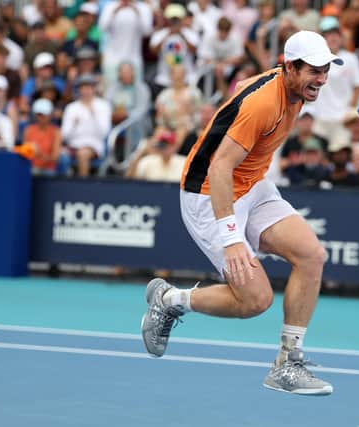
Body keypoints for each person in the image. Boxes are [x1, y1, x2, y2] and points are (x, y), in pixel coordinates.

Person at [141, 30, 343, 395]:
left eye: (325, 69)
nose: (322, 79)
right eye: (314, 70)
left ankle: (287, 363)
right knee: (255, 300)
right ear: (289, 66)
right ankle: (169, 300)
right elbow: (219, 168)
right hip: (208, 194)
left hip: (252, 185)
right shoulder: (263, 103)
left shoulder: (296, 92)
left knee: (311, 255)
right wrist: (233, 237)